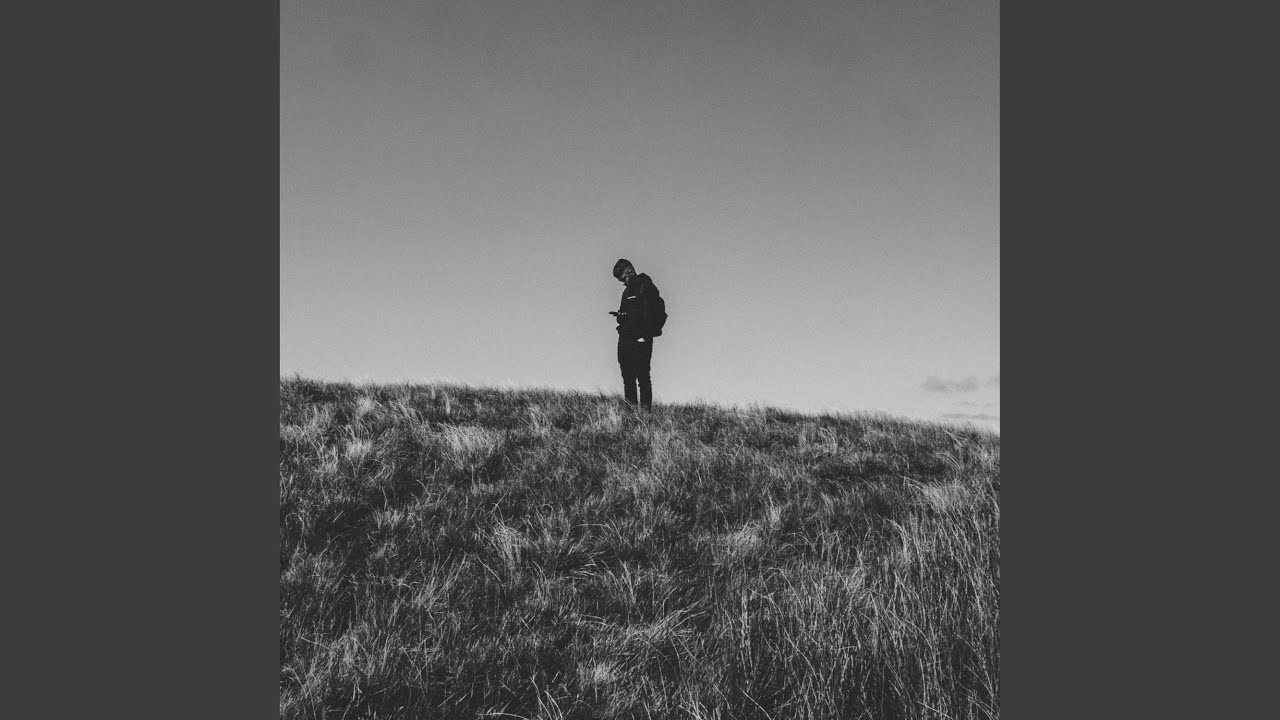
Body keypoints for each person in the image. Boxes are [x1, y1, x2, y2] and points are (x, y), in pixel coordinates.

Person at [610, 258, 662, 409]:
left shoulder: (647, 287)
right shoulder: (626, 292)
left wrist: (644, 337)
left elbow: (652, 314)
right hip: (625, 340)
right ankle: (630, 413)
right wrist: (620, 316)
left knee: (643, 378)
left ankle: (645, 414)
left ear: (630, 271)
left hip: (641, 340)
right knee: (628, 378)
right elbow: (628, 314)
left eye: (624, 278)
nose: (623, 282)